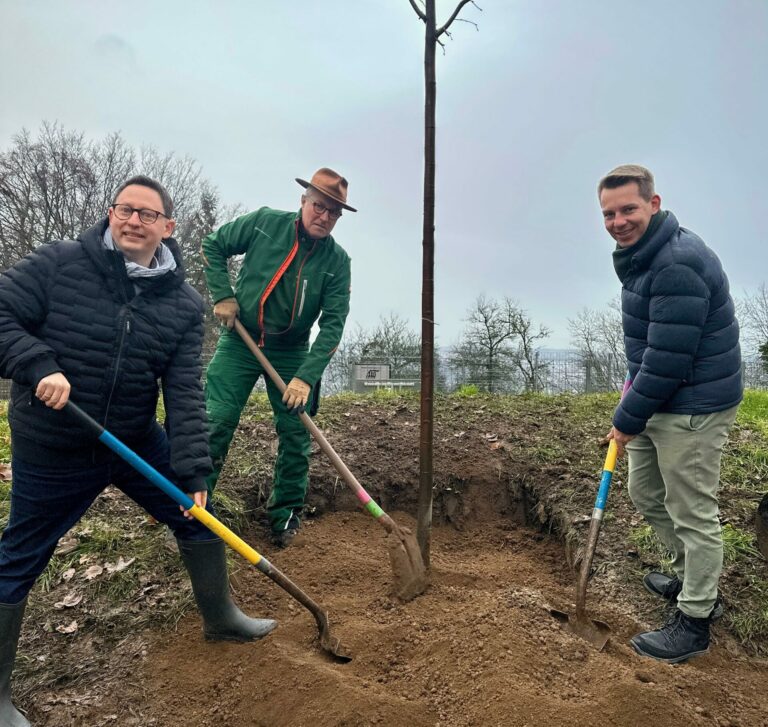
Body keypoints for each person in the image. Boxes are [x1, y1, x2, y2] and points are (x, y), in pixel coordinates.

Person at [0, 176, 276, 726]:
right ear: (110, 213)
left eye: (147, 214)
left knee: (198, 512)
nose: (133, 221)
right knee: (20, 558)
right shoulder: (58, 264)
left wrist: (193, 466)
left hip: (130, 439)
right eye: (125, 209)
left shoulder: (182, 303)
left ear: (167, 228)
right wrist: (39, 365)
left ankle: (221, 619)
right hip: (54, 443)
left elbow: (183, 390)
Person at [598, 164, 742, 664]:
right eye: (609, 213)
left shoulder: (676, 263)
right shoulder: (643, 256)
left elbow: (667, 360)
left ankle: (697, 619)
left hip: (694, 407)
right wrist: (631, 394)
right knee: (646, 492)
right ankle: (691, 577)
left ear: (653, 205)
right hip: (662, 397)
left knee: (693, 512)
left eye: (628, 209)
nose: (618, 221)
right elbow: (651, 349)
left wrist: (626, 418)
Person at [202, 168, 354, 549]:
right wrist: (222, 295)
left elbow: (332, 327)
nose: (324, 217)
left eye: (333, 213)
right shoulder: (265, 224)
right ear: (304, 201)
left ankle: (285, 514)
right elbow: (213, 245)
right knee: (216, 419)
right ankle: (193, 506)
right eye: (319, 206)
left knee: (295, 431)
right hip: (241, 339)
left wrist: (306, 376)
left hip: (292, 352)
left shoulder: (337, 263)